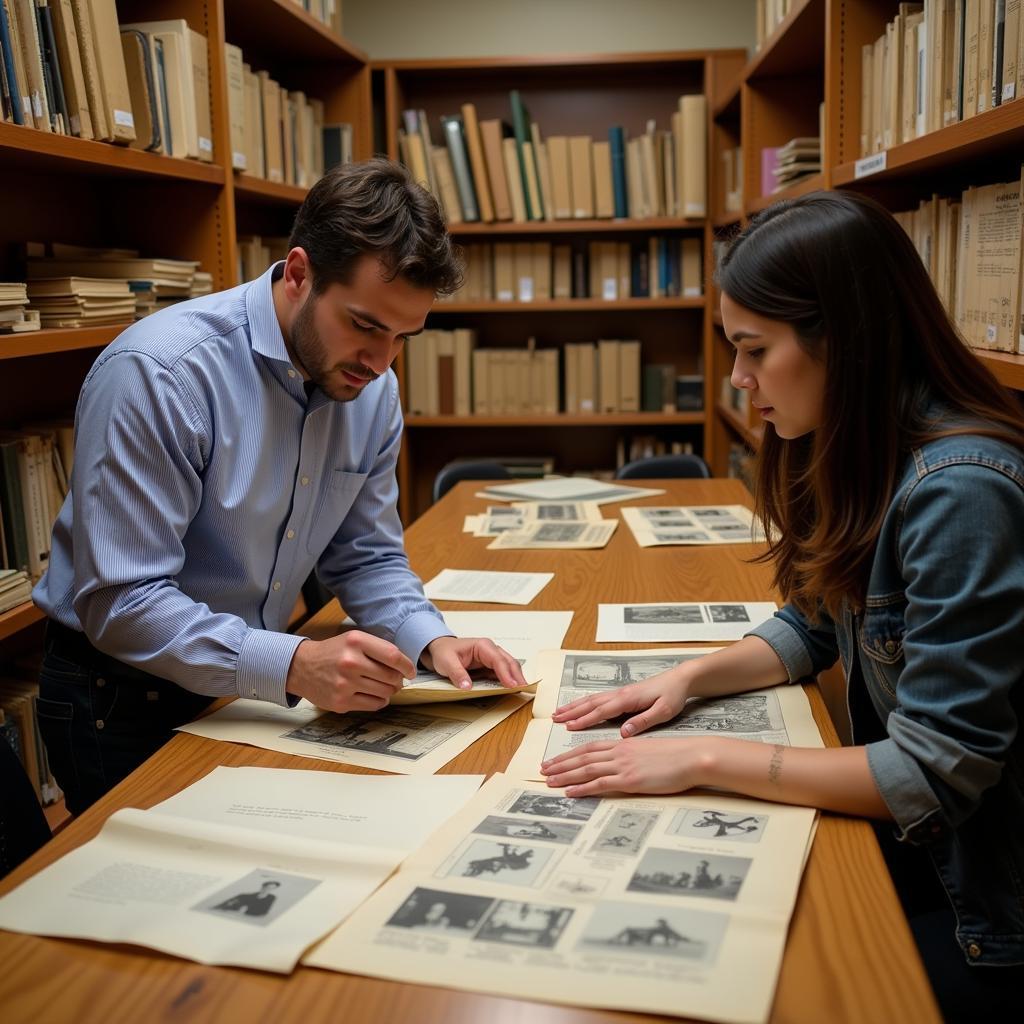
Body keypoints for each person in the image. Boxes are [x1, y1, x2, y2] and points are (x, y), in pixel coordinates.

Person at [541, 191, 1024, 1017]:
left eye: (755, 350)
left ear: (847, 341)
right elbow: (811, 622)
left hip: (985, 911)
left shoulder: (962, 493)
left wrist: (698, 759)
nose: (738, 379)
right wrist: (689, 681)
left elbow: (933, 771)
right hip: (918, 854)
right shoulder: (849, 440)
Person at [34, 158, 525, 816]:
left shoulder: (371, 388)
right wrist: (296, 665)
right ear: (299, 274)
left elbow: (367, 555)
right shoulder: (161, 375)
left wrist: (430, 641)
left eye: (404, 336)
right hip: (122, 696)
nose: (382, 364)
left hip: (251, 680)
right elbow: (121, 601)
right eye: (366, 325)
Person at [212, 880, 280, 917]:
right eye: (267, 887)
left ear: (273, 889)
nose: (267, 889)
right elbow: (225, 905)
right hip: (229, 915)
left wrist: (245, 911)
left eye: (271, 888)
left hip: (249, 918)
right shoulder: (245, 896)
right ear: (262, 887)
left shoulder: (271, 898)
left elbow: (264, 912)